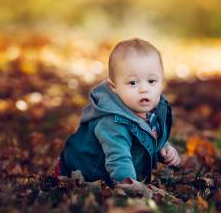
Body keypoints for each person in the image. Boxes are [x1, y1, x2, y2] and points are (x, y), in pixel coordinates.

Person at [55, 38, 180, 185]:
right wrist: (130, 186)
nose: (144, 89)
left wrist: (164, 148)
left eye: (151, 81)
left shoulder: (153, 112)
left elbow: (149, 135)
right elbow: (118, 161)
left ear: (162, 82)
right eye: (133, 82)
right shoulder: (113, 124)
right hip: (88, 172)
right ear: (114, 87)